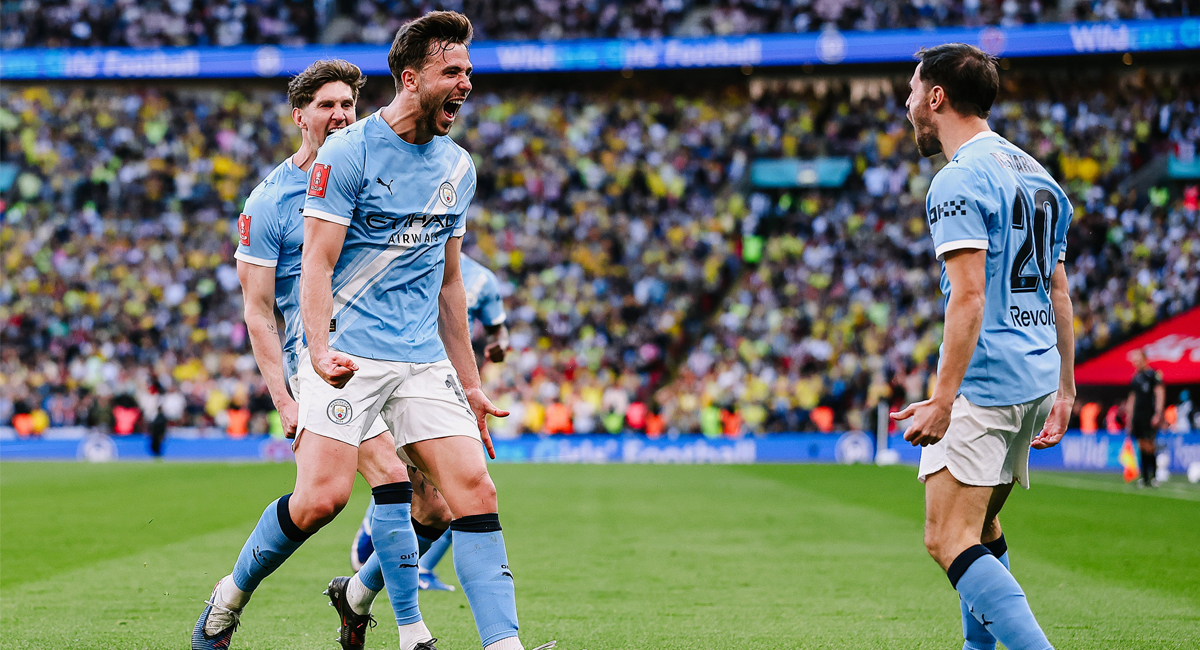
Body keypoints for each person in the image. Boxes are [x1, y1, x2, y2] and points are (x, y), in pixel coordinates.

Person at [301, 12, 551, 650]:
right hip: (351, 355)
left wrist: (470, 384)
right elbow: (318, 262)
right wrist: (320, 348)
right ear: (410, 79)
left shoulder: (458, 166)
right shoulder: (347, 152)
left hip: (420, 360)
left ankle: (503, 645)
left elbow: (449, 286)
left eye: (469, 70)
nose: (467, 83)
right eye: (453, 71)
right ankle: (232, 599)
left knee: (470, 492)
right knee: (319, 504)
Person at [192, 59, 448, 650]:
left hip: (390, 353)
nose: (339, 115)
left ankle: (356, 594)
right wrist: (284, 395)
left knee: (437, 508)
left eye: (348, 105)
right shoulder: (269, 201)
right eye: (326, 105)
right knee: (331, 499)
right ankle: (230, 598)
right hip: (322, 363)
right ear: (299, 115)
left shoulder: (374, 173)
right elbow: (259, 311)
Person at [892, 43, 1074, 650]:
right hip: (1036, 374)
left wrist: (943, 401)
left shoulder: (958, 178)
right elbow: (1057, 289)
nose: (908, 103)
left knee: (947, 537)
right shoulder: (1038, 176)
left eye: (913, 90)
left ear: (937, 98)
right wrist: (1067, 387)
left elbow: (968, 297)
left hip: (987, 379)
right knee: (982, 524)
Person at [350, 252, 510, 593]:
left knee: (461, 485)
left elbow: (499, 329)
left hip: (453, 383)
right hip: (403, 374)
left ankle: (395, 564)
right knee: (414, 475)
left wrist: (499, 346)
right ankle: (374, 551)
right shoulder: (404, 253)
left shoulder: (480, 279)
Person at [1124, 349, 1165, 487]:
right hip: (1138, 416)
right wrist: (1129, 418)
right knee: (1141, 445)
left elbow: (1159, 393)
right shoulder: (1135, 378)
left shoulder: (1153, 375)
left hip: (1149, 414)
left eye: (1137, 360)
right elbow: (1132, 399)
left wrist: (1158, 413)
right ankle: (1145, 477)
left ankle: (1153, 476)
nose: (1135, 363)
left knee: (1149, 445)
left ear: (1144, 359)